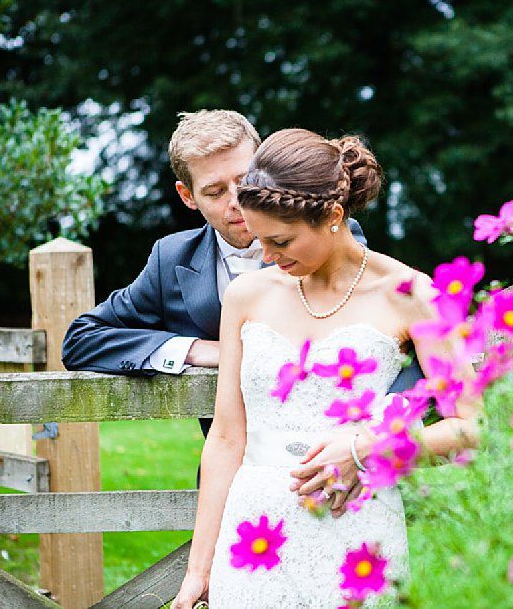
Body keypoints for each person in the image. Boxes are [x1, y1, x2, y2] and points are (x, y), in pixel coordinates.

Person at [171, 129, 480, 608]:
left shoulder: (411, 295)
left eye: (281, 241)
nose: (267, 257)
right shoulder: (246, 296)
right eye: (259, 240)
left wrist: (367, 448)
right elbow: (228, 438)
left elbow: (473, 428)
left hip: (357, 531)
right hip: (256, 531)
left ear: (334, 217)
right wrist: (199, 568)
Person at [61, 110, 422, 452]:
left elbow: (400, 348)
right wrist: (194, 350)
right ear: (187, 196)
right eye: (215, 192)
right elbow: (81, 340)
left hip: (342, 462)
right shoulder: (172, 259)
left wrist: (374, 441)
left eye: (245, 180)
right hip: (230, 465)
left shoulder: (329, 239)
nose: (237, 201)